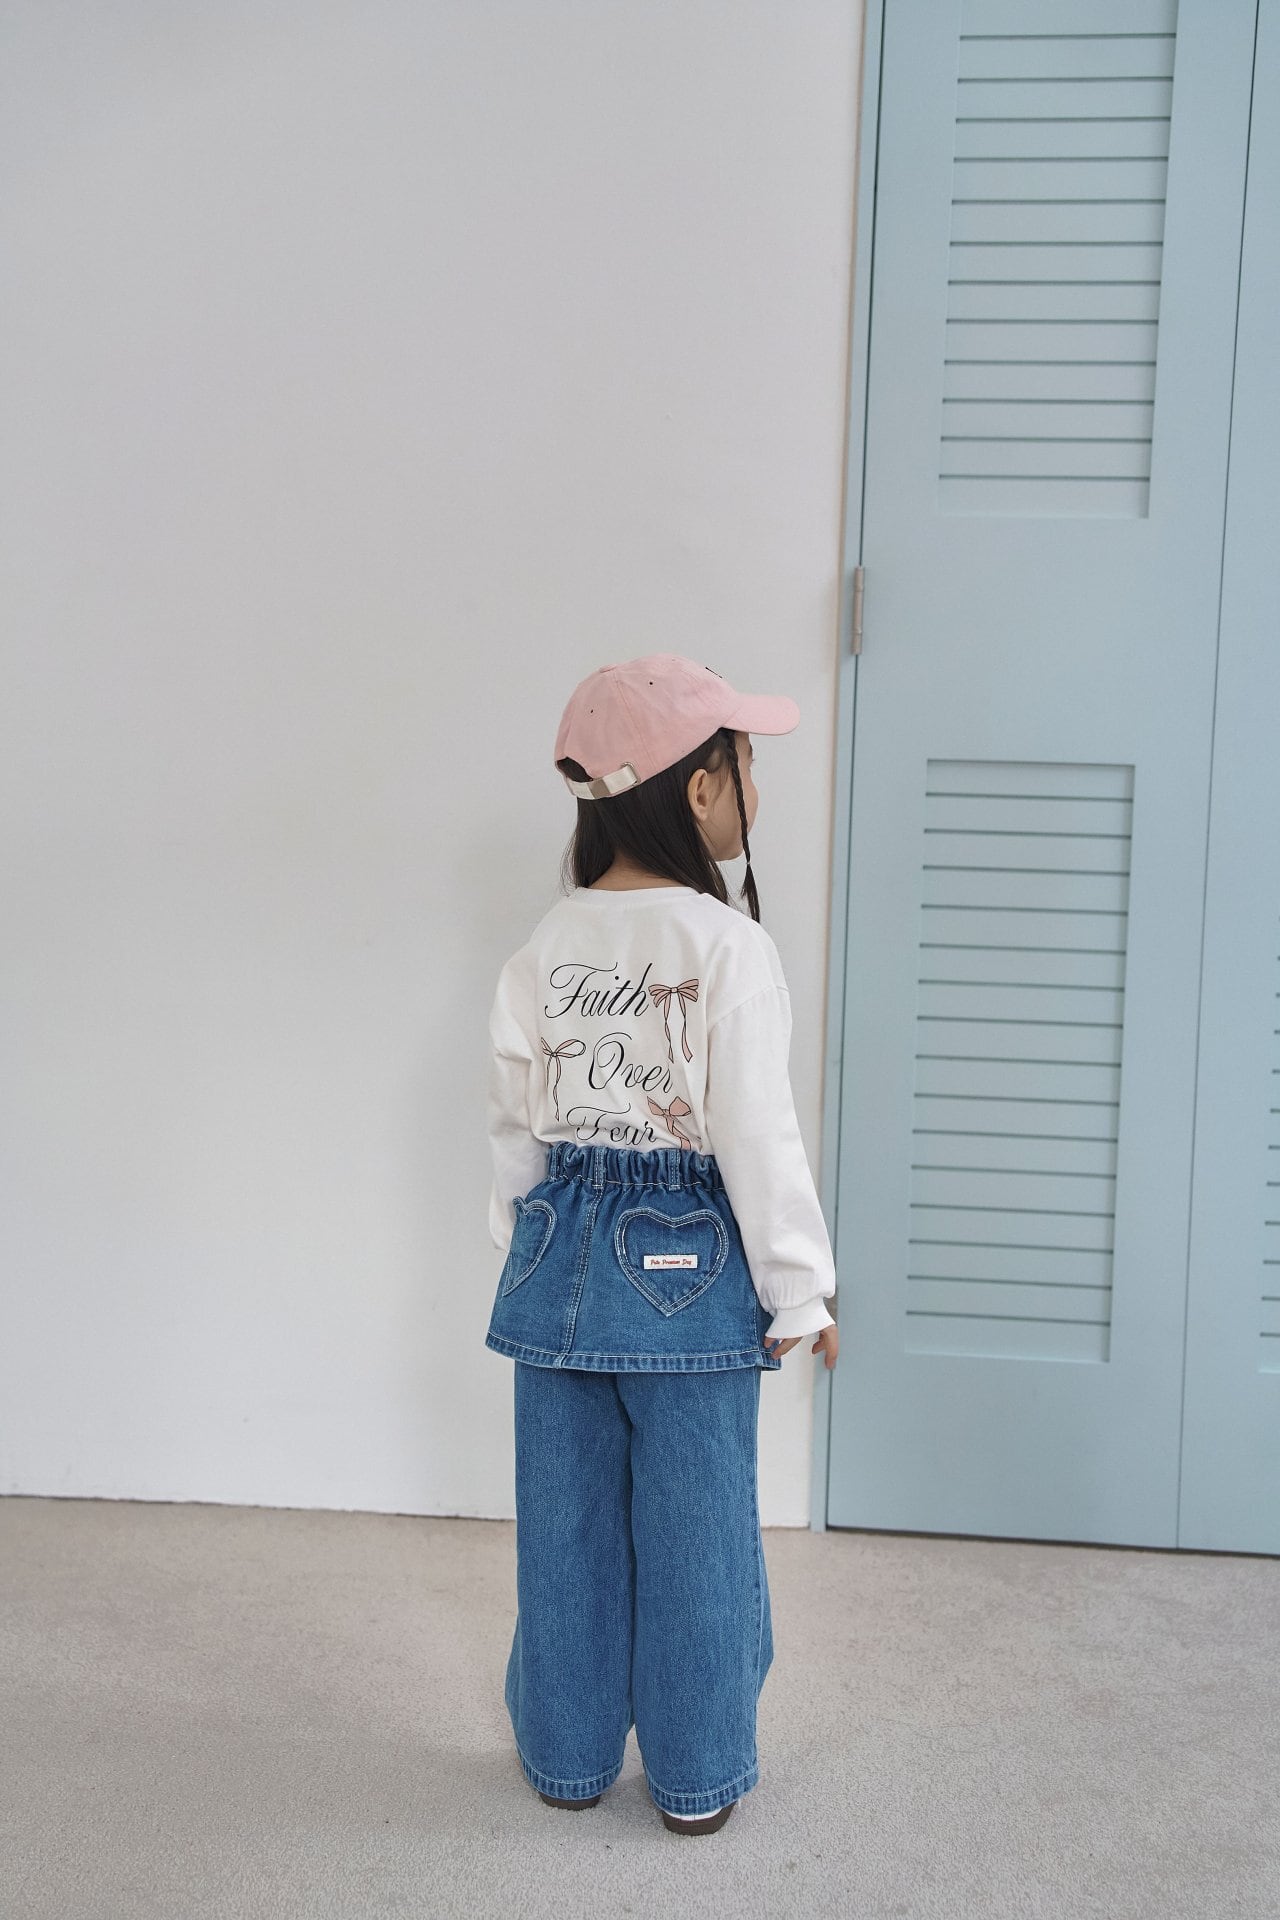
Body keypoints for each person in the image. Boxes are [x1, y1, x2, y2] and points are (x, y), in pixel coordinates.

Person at [483, 652, 839, 1836]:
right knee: (695, 1529)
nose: (753, 790)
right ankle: (693, 1778)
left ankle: (568, 1760)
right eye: (745, 766)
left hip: (553, 1265)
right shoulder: (723, 944)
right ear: (697, 788)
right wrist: (798, 1290)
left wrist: (522, 1250)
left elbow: (515, 1124)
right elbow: (755, 1134)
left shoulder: (544, 943)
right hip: (684, 1269)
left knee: (566, 1526)